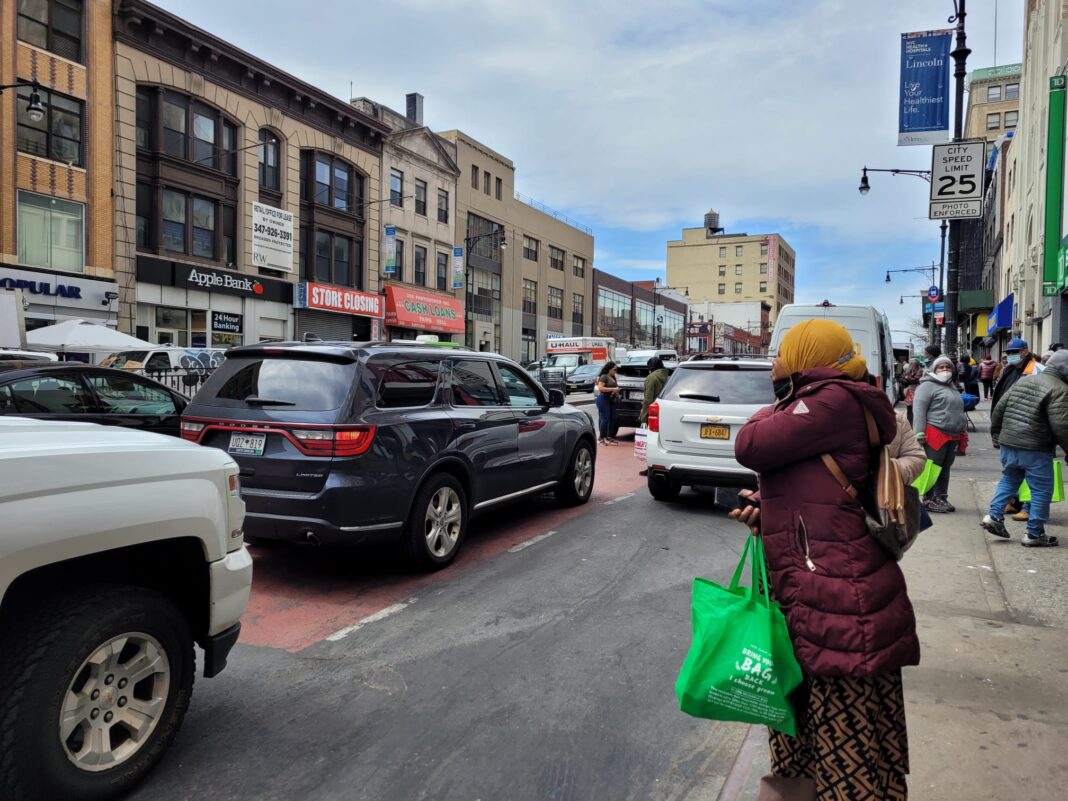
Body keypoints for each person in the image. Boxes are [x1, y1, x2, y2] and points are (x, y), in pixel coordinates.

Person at [731, 319, 918, 801]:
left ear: (806, 356)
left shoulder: (831, 400)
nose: (773, 362)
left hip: (836, 595)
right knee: (816, 731)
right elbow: (812, 489)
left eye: (782, 352)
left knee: (844, 746)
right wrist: (765, 509)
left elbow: (748, 444)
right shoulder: (824, 402)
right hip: (818, 584)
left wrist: (772, 404)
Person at [982, 349, 1068, 547]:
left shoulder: (1024, 380)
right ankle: (1034, 533)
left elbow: (999, 409)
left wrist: (997, 436)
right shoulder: (1061, 389)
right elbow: (1062, 426)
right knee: (1041, 490)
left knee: (1009, 479)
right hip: (1035, 447)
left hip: (1009, 443)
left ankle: (993, 516)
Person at [912, 356, 966, 513]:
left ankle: (941, 497)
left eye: (947, 367)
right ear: (934, 370)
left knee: (945, 467)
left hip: (953, 434)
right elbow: (919, 412)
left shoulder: (952, 386)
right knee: (932, 467)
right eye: (941, 367)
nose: (945, 370)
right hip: (935, 432)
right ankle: (929, 499)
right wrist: (918, 434)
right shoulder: (926, 387)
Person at [638, 356, 672, 476]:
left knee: (650, 441)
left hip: (653, 413)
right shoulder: (669, 377)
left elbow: (648, 399)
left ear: (651, 368)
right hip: (666, 412)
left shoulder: (651, 378)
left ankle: (651, 467)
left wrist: (643, 415)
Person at [595, 361, 620, 445]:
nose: (616, 371)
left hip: (611, 399)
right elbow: (600, 388)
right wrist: (613, 389)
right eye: (614, 369)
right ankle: (601, 438)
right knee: (605, 418)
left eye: (616, 369)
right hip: (603, 398)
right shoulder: (603, 377)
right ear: (609, 369)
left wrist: (617, 391)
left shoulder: (613, 377)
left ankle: (609, 437)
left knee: (614, 417)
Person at [900, 358, 924, 426]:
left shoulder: (920, 371)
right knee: (909, 408)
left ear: (917, 365)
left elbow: (916, 380)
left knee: (916, 408)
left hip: (917, 390)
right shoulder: (909, 370)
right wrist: (907, 379)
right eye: (911, 364)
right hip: (909, 391)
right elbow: (902, 378)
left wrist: (907, 378)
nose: (911, 366)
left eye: (913, 365)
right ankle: (909, 424)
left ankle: (916, 424)